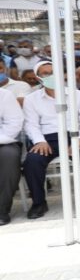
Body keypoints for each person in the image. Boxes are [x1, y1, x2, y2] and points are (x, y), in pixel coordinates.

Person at [22, 61, 80, 217]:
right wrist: (39, 141)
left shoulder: (78, 95)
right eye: (46, 73)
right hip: (47, 139)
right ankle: (39, 203)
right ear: (38, 77)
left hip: (73, 135)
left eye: (53, 71)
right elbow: (30, 124)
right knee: (32, 161)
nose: (51, 75)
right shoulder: (31, 99)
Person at [0, 87, 23, 225]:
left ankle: (1, 209)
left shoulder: (4, 95)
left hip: (4, 141)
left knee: (9, 156)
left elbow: (14, 124)